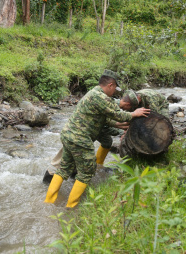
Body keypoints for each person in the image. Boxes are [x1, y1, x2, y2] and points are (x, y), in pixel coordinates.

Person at [44, 70, 150, 207]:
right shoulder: (101, 97)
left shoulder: (95, 92)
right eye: (114, 89)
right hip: (80, 139)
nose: (114, 92)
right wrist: (135, 114)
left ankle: (48, 202)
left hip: (69, 135)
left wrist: (122, 125)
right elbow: (118, 115)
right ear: (110, 85)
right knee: (86, 172)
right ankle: (71, 208)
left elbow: (106, 119)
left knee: (64, 168)